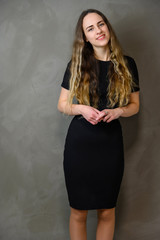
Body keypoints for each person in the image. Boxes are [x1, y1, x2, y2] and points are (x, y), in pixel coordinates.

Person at [57, 8, 140, 240]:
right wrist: (80, 108)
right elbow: (62, 104)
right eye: (90, 28)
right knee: (78, 212)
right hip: (80, 146)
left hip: (110, 146)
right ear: (85, 37)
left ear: (108, 27)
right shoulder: (76, 64)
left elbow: (135, 106)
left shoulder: (128, 64)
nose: (98, 31)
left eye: (101, 24)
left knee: (107, 211)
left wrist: (119, 111)